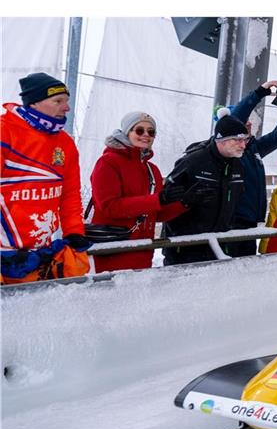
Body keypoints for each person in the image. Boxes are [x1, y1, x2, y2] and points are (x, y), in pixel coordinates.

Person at [1, 72, 91, 284]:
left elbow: (69, 195)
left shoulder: (65, 143)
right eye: (58, 101)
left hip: (41, 255)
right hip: (5, 255)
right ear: (34, 103)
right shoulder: (5, 131)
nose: (66, 107)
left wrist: (74, 232)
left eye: (66, 101)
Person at [89, 112, 186, 273]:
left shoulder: (151, 169)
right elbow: (109, 206)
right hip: (111, 252)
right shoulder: (108, 162)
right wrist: (157, 200)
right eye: (139, 130)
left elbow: (155, 214)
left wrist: (185, 202)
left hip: (142, 253)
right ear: (127, 133)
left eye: (151, 132)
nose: (146, 135)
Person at [221, 80, 277, 257]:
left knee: (247, 267)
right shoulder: (224, 151)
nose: (248, 124)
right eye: (243, 122)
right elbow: (235, 119)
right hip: (230, 222)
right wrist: (259, 92)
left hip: (249, 222)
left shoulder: (253, 148)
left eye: (249, 123)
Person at [160, 114, 247, 265]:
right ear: (221, 139)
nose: (243, 145)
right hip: (186, 245)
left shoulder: (238, 166)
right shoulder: (194, 161)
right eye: (237, 140)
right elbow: (166, 198)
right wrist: (186, 200)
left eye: (245, 140)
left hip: (219, 244)